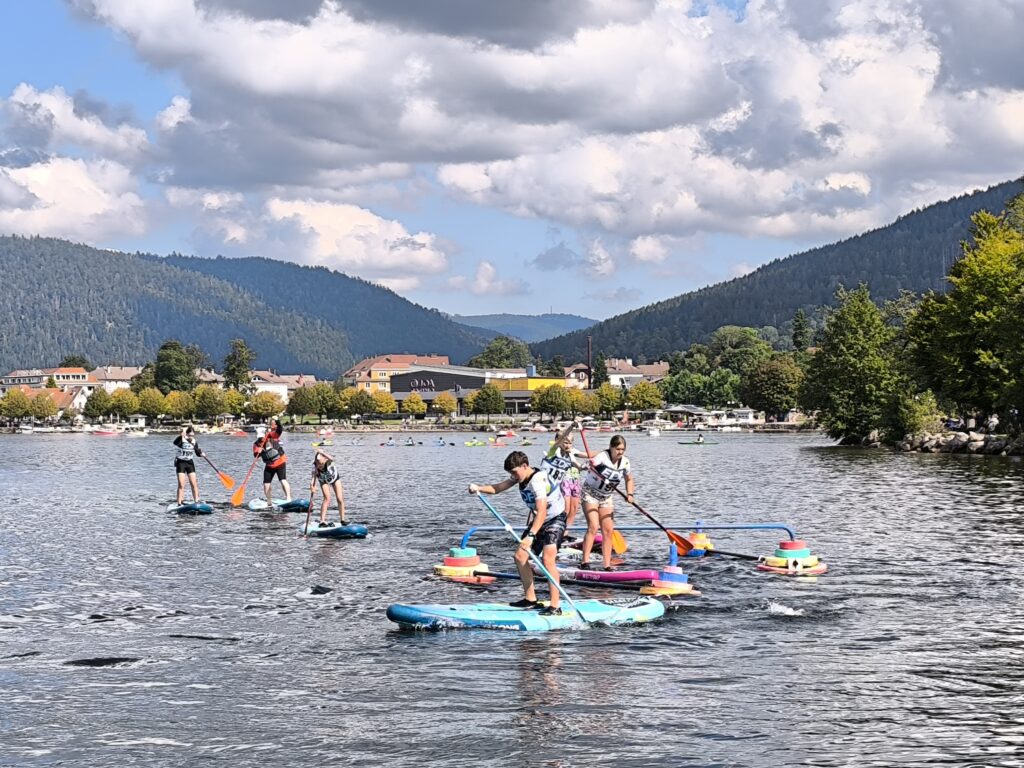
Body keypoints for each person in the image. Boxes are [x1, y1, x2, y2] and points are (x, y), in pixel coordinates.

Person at [469, 451, 566, 616]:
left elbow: (542, 510)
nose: (513, 476)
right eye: (511, 473)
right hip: (540, 521)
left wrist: (531, 536)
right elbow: (497, 488)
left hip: (555, 519)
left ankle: (555, 606)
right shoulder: (519, 477)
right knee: (520, 557)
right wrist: (479, 488)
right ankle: (530, 599)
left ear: (525, 466)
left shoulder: (537, 481)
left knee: (547, 560)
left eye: (514, 472)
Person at [579, 435, 634, 570]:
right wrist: (589, 465)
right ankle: (585, 562)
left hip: (606, 497)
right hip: (590, 494)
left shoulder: (625, 462)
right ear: (611, 447)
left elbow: (629, 479)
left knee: (608, 531)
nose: (620, 452)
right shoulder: (602, 457)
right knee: (593, 526)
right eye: (617, 449)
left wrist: (629, 494)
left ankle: (606, 564)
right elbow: (583, 467)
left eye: (622, 449)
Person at [542, 421, 587, 545]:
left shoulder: (570, 455)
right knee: (561, 510)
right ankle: (541, 533)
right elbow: (562, 438)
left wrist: (587, 466)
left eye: (570, 443)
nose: (567, 445)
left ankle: (563, 534)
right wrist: (571, 427)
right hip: (547, 486)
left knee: (573, 508)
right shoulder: (554, 451)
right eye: (565, 442)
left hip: (558, 486)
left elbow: (579, 466)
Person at [254, 418, 290, 505]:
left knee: (283, 480)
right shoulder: (256, 444)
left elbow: (279, 430)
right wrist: (258, 452)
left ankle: (288, 498)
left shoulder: (271, 435)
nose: (261, 438)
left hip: (280, 462)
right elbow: (255, 455)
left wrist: (278, 421)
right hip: (269, 465)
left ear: (265, 433)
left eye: (262, 436)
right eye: (259, 437)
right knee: (266, 484)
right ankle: (269, 501)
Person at [310, 449, 347, 527]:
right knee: (327, 498)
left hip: (334, 478)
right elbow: (313, 478)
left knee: (340, 498)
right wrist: (312, 486)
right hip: (323, 480)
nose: (319, 465)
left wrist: (322, 453)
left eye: (320, 463)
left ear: (324, 459)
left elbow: (332, 458)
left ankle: (342, 520)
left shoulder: (329, 461)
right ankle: (322, 521)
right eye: (317, 462)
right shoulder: (314, 466)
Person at [173, 426, 204, 505]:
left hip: (190, 463)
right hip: (181, 463)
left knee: (194, 483)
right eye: (189, 435)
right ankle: (179, 503)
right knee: (181, 484)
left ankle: (196, 501)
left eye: (192, 435)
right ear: (186, 434)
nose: (191, 437)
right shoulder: (181, 440)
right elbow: (175, 443)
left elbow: (197, 452)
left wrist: (201, 454)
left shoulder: (194, 441)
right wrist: (181, 436)